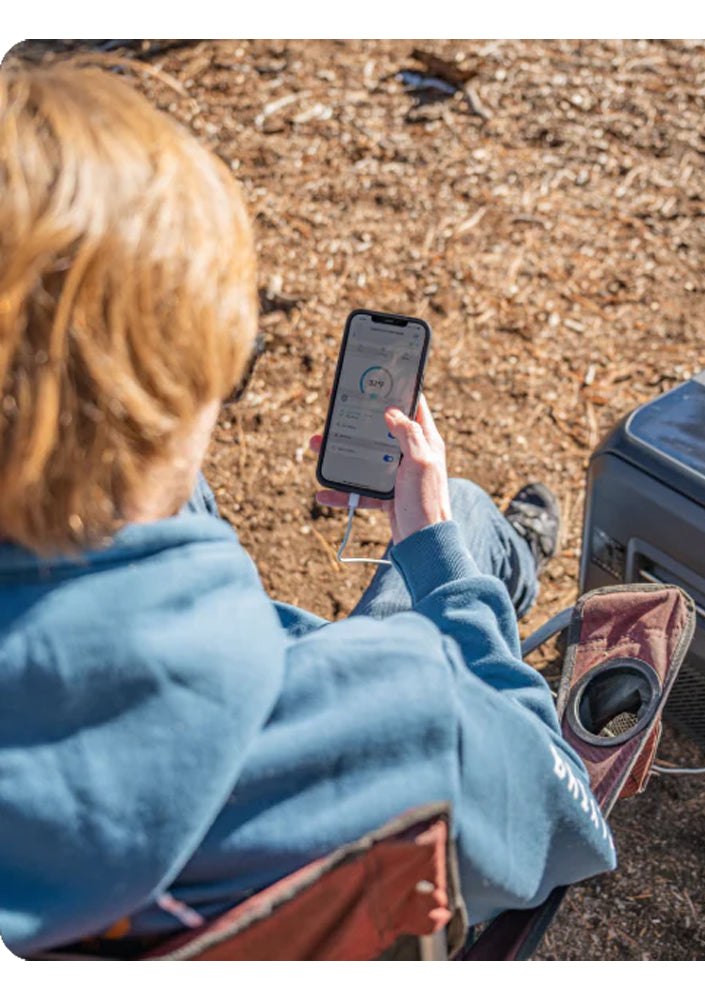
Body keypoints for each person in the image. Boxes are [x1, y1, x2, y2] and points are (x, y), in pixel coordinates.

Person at [0, 63, 615, 957]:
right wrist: (442, 566)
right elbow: (567, 826)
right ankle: (500, 565)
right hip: (335, 732)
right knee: (464, 520)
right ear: (183, 404)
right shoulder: (410, 713)